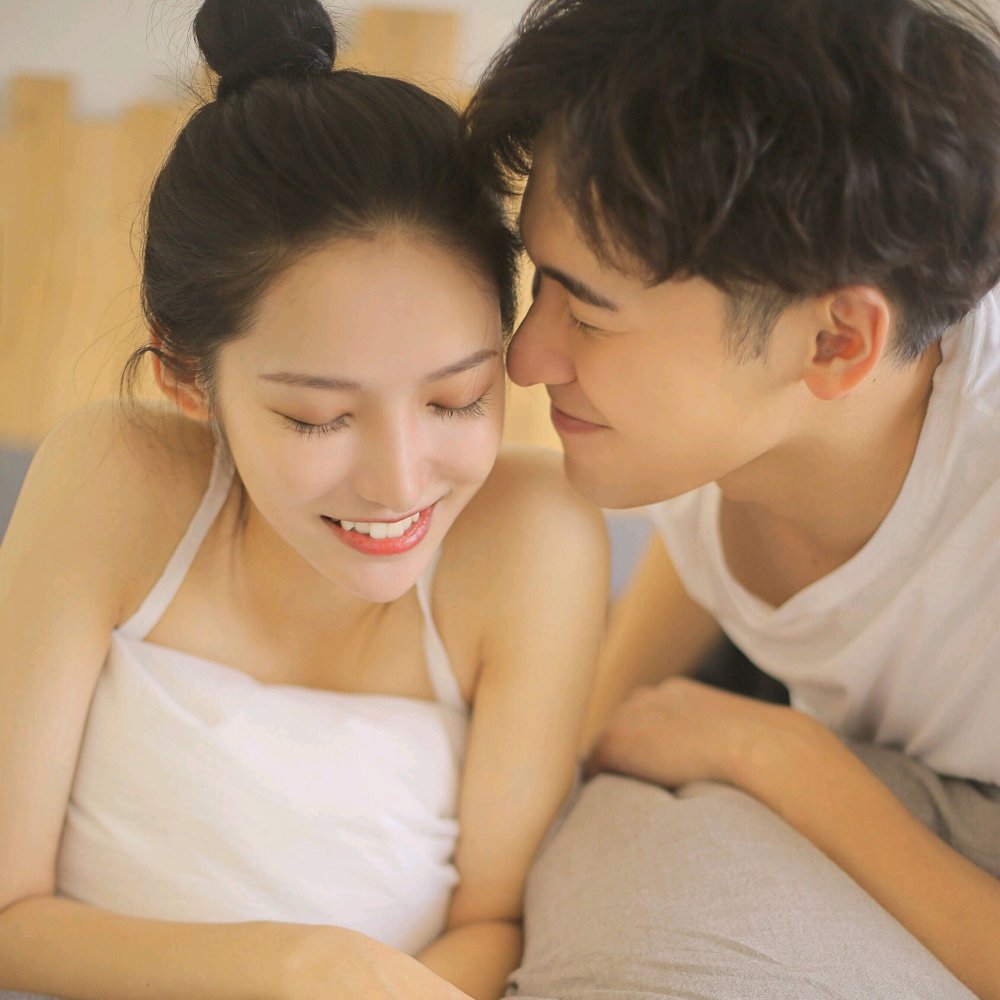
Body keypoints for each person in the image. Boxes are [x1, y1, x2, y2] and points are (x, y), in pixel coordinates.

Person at [0, 2, 609, 998]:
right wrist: (293, 964)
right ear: (186, 375)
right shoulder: (115, 476)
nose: (400, 484)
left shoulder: (536, 538)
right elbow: (6, 914)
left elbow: (498, 925)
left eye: (456, 398)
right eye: (319, 418)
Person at [463, 0, 1000, 997]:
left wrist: (780, 757)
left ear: (836, 341)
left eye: (588, 312)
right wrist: (574, 751)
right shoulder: (721, 433)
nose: (525, 359)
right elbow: (707, 548)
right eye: (541, 284)